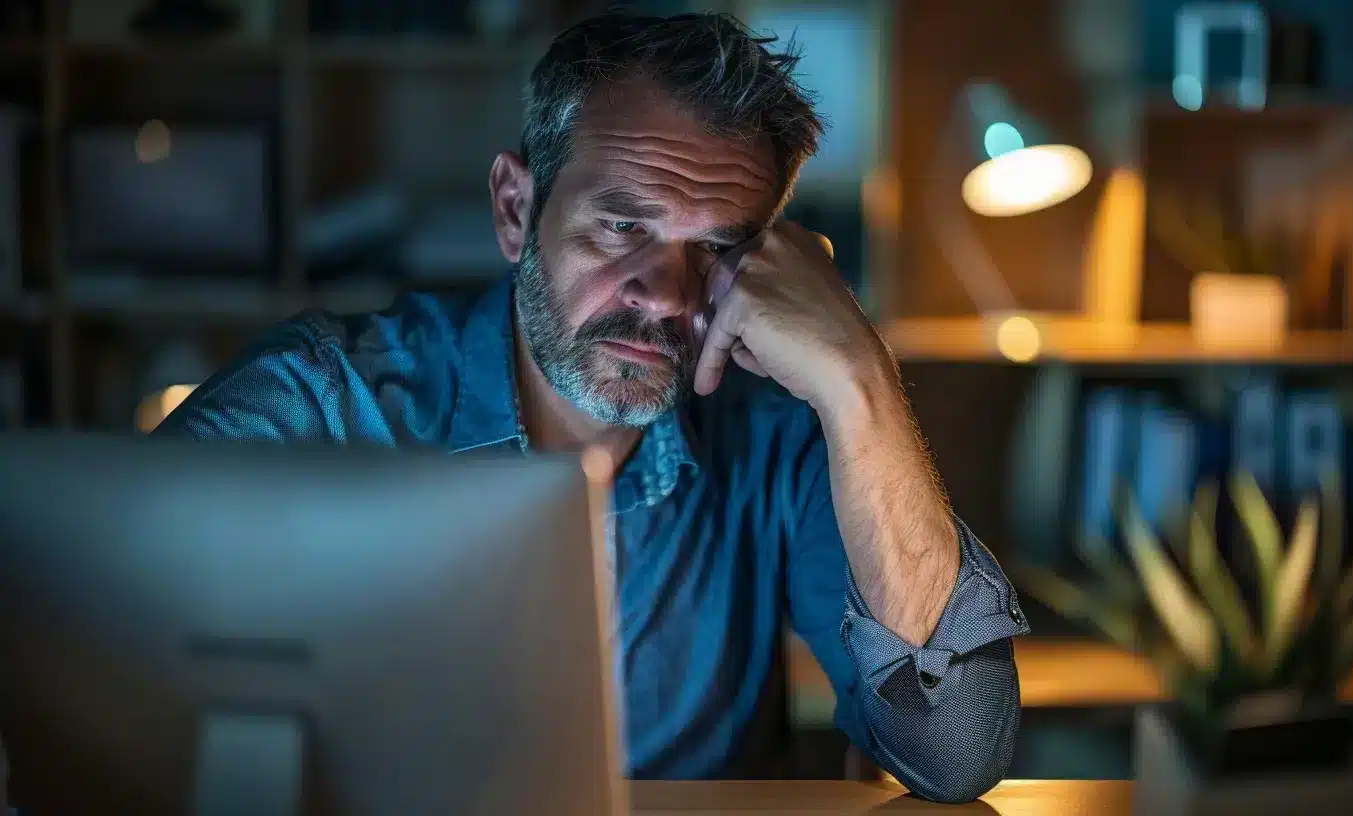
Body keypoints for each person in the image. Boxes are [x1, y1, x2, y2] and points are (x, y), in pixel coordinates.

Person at [154, 11, 1028, 804]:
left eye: (717, 248)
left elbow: (952, 753)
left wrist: (858, 376)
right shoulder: (326, 402)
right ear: (514, 209)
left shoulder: (781, 435)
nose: (662, 295)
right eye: (623, 227)